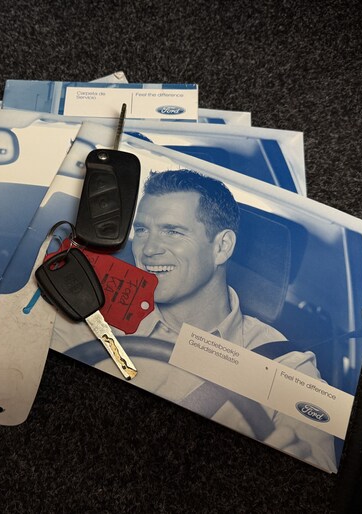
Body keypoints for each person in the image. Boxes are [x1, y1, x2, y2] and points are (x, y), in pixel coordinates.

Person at [50, 169, 337, 472]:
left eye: (173, 231)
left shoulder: (288, 366)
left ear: (222, 247)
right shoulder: (95, 316)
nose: (148, 249)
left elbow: (317, 472)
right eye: (142, 230)